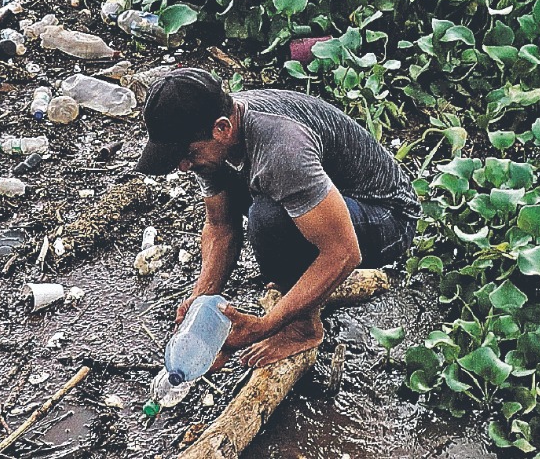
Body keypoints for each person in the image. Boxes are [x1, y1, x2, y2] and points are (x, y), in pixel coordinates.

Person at [136, 68, 419, 368]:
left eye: (190, 154)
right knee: (251, 200)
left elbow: (344, 252)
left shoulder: (281, 148)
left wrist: (267, 324)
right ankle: (298, 287)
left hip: (387, 216)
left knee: (268, 218)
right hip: (323, 203)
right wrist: (199, 304)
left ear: (222, 128)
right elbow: (221, 227)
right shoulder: (217, 136)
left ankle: (303, 328)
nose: (184, 166)